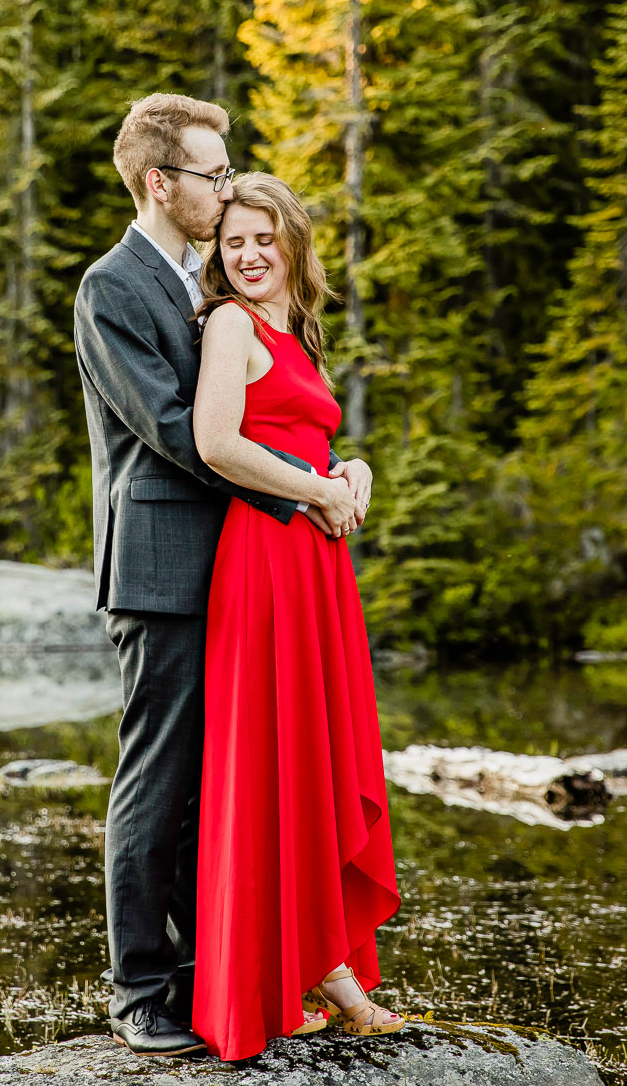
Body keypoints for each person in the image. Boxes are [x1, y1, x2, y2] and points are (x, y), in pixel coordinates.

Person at [72, 95, 371, 1059]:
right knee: (156, 781)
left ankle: (216, 973)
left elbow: (267, 408)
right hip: (159, 569)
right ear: (162, 182)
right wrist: (307, 489)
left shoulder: (202, 285)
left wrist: (321, 475)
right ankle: (140, 989)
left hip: (238, 567)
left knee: (220, 784)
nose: (223, 182)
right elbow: (180, 430)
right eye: (210, 171)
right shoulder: (112, 287)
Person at [189, 172, 405, 1061]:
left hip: (318, 564)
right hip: (267, 560)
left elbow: (306, 434)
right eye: (232, 240)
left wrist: (350, 471)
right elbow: (217, 443)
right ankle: (306, 973)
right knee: (274, 757)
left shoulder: (295, 333)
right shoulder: (231, 326)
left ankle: (317, 961)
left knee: (314, 756)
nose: (246, 254)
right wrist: (317, 486)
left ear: (293, 247)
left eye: (262, 238)